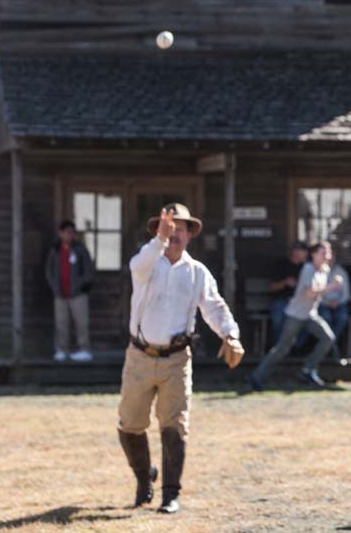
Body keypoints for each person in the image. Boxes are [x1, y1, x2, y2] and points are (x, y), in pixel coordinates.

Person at [118, 204, 244, 515]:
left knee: (175, 426)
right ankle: (143, 477)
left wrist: (231, 334)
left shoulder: (197, 272)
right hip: (140, 357)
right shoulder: (147, 264)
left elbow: (214, 307)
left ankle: (170, 494)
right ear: (160, 231)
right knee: (129, 425)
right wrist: (159, 240)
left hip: (176, 359)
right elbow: (139, 261)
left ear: (189, 234)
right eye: (168, 227)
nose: (174, 233)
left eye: (180, 228)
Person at [248, 240, 342, 389]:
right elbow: (310, 293)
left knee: (328, 338)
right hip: (296, 315)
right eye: (324, 252)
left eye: (328, 252)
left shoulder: (324, 269)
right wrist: (333, 287)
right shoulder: (308, 269)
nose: (327, 256)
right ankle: (256, 376)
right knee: (282, 348)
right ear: (314, 254)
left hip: (310, 315)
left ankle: (308, 370)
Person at [44, 220, 95, 362]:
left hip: (78, 294)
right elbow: (49, 271)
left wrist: (81, 285)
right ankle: (61, 350)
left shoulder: (80, 250)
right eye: (66, 232)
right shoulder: (55, 250)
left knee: (81, 323)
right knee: (61, 323)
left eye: (72, 232)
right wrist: (54, 287)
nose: (69, 235)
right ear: (60, 233)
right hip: (60, 294)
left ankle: (84, 350)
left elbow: (89, 270)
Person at [268, 241, 308, 346]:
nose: (304, 254)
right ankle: (278, 347)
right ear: (295, 252)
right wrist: (285, 282)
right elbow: (272, 287)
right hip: (282, 300)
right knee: (278, 319)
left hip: (300, 302)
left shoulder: (306, 268)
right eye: (301, 251)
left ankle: (296, 348)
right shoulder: (281, 265)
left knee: (310, 322)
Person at [319, 249, 351, 363]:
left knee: (342, 318)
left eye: (332, 256)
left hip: (339, 304)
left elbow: (346, 294)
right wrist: (327, 302)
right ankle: (333, 348)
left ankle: (329, 347)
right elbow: (316, 291)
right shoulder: (319, 272)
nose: (330, 259)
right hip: (322, 304)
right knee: (325, 318)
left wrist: (337, 302)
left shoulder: (341, 272)